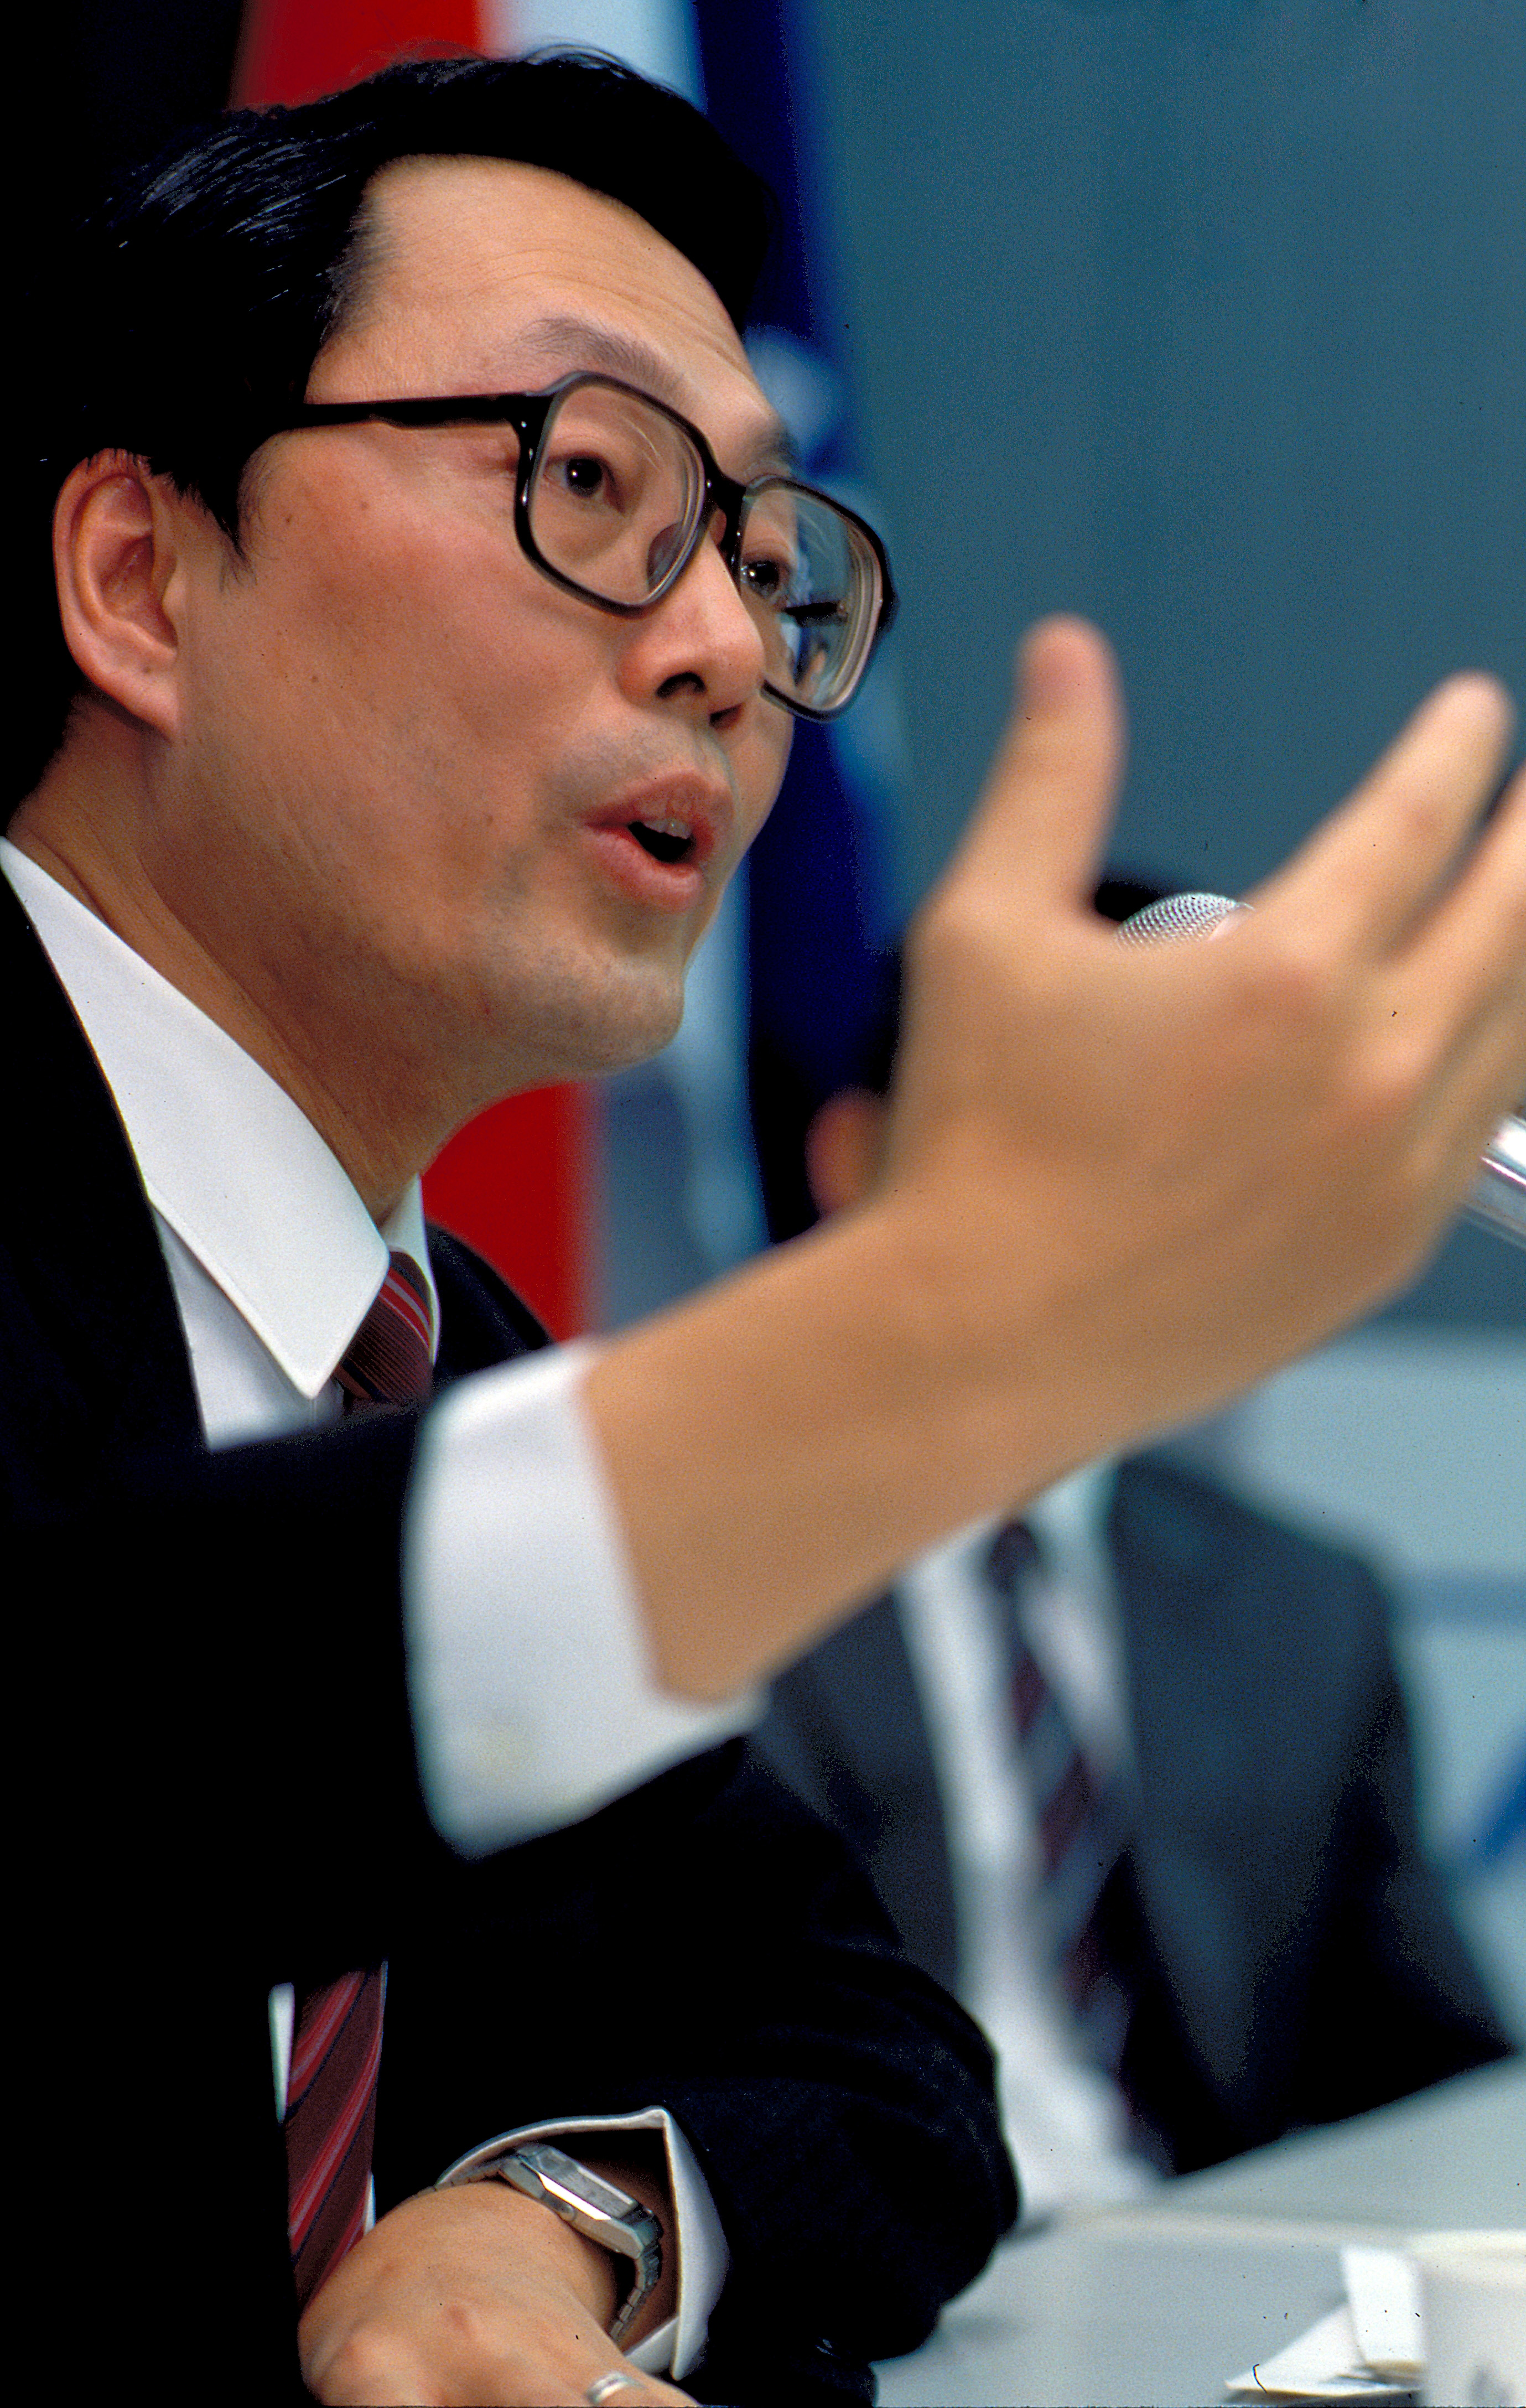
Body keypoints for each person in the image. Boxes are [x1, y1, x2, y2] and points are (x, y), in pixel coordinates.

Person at [7, 40, 1525, 2408]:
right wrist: (948, 1341)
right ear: (140, 578)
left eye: (760, 554)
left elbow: (872, 2042)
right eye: (587, 484)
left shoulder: (439, 1344)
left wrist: (564, 2220)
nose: (725, 647)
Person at [754, 959, 1514, 2222]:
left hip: (1194, 2274)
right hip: (813, 2274)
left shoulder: (1303, 1605)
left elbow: (1433, 2074)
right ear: (854, 1155)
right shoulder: (670, 1549)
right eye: (1053, 1127)